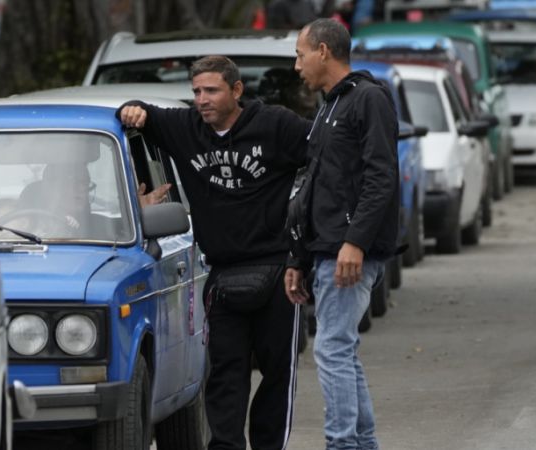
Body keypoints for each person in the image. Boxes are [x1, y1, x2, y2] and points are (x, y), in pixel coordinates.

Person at [118, 55, 311, 450]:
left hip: (279, 271)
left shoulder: (275, 125)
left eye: (211, 90)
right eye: (196, 92)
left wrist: (308, 228)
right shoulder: (185, 128)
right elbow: (137, 114)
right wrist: (130, 109)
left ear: (236, 91)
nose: (202, 99)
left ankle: (269, 445)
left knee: (278, 373)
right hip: (223, 274)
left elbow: (326, 156)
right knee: (225, 374)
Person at [286, 18, 399, 450]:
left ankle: (342, 444)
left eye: (300, 55)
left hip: (347, 249)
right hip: (325, 248)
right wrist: (298, 258)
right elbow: (316, 185)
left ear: (323, 52)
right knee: (341, 350)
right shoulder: (331, 105)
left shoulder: (368, 99)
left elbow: (381, 177)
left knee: (332, 350)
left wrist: (356, 241)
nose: (297, 66)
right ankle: (361, 443)